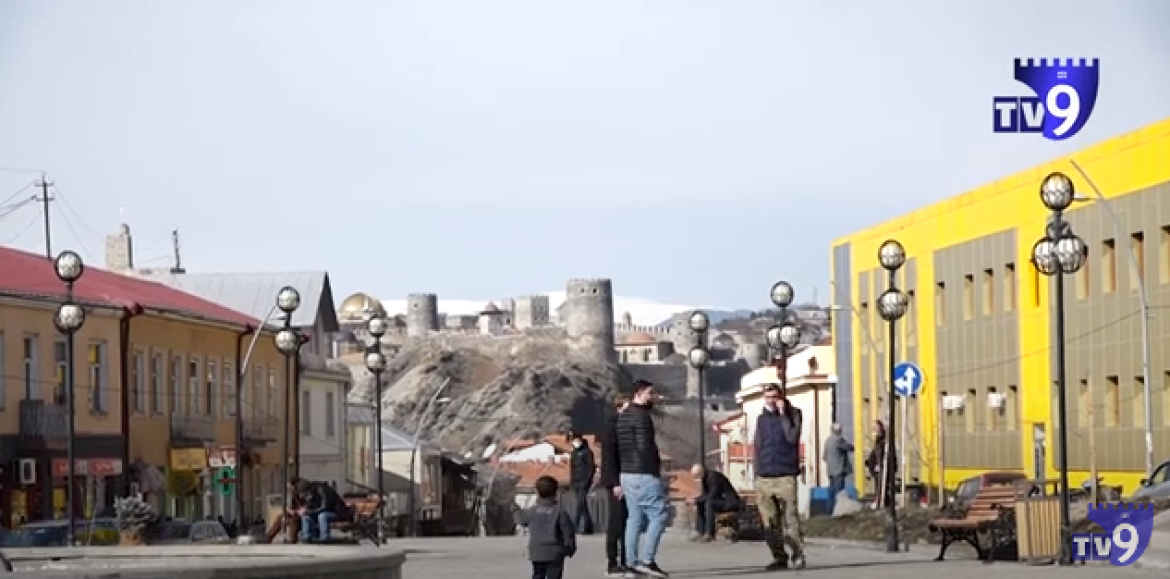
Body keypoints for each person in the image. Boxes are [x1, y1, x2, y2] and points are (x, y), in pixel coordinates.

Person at [615, 379, 670, 578]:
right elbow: (645, 446)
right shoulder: (642, 417)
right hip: (643, 472)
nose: (652, 396)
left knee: (634, 518)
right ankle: (647, 560)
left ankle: (630, 563)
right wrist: (654, 470)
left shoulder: (623, 416)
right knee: (659, 515)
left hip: (626, 473)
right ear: (639, 393)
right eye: (649, 393)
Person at [754, 383, 805, 570]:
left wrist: (783, 414)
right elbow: (757, 446)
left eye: (774, 397)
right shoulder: (761, 420)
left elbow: (792, 437)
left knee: (790, 518)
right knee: (770, 521)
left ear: (781, 397)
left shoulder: (794, 414)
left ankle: (797, 554)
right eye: (768, 397)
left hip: (786, 475)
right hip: (764, 476)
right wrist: (756, 473)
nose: (771, 401)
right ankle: (779, 557)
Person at [598, 394, 630, 576]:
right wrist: (616, 483)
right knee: (617, 521)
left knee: (626, 521)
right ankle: (613, 562)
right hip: (616, 481)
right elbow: (609, 458)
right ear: (619, 408)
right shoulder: (612, 427)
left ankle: (626, 559)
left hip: (625, 478)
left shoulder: (622, 425)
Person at [522, 475, 577, 579]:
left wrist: (514, 509)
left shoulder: (532, 511)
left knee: (538, 575)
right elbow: (568, 532)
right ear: (556, 492)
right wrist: (570, 548)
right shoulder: (560, 511)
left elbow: (523, 521)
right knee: (554, 576)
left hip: (536, 552)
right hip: (555, 552)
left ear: (537, 492)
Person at [687, 464, 741, 542]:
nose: (696, 479)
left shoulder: (714, 477)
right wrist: (695, 500)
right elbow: (705, 495)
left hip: (729, 502)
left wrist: (696, 500)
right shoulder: (705, 479)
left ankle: (709, 533)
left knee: (709, 503)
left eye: (696, 476)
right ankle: (701, 531)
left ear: (701, 472)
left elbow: (713, 495)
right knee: (701, 503)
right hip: (720, 500)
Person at [822, 423, 854, 515]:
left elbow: (824, 457)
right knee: (839, 491)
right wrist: (854, 446)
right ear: (839, 431)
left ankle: (829, 510)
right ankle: (837, 511)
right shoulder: (838, 439)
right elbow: (849, 447)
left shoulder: (828, 440)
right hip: (838, 470)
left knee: (831, 491)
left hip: (830, 470)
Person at [568, 430, 596, 534]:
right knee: (583, 504)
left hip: (584, 482)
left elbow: (591, 468)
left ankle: (574, 526)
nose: (573, 442)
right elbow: (572, 469)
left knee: (580, 504)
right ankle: (589, 527)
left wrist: (587, 481)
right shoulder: (574, 452)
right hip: (576, 482)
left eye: (575, 439)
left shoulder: (587, 452)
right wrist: (572, 482)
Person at [864, 420, 895, 508]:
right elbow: (876, 451)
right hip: (878, 465)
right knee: (879, 484)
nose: (873, 429)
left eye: (875, 427)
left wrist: (878, 463)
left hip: (882, 466)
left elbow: (882, 452)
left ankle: (881, 502)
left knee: (881, 485)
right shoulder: (879, 438)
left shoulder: (884, 439)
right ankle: (881, 501)